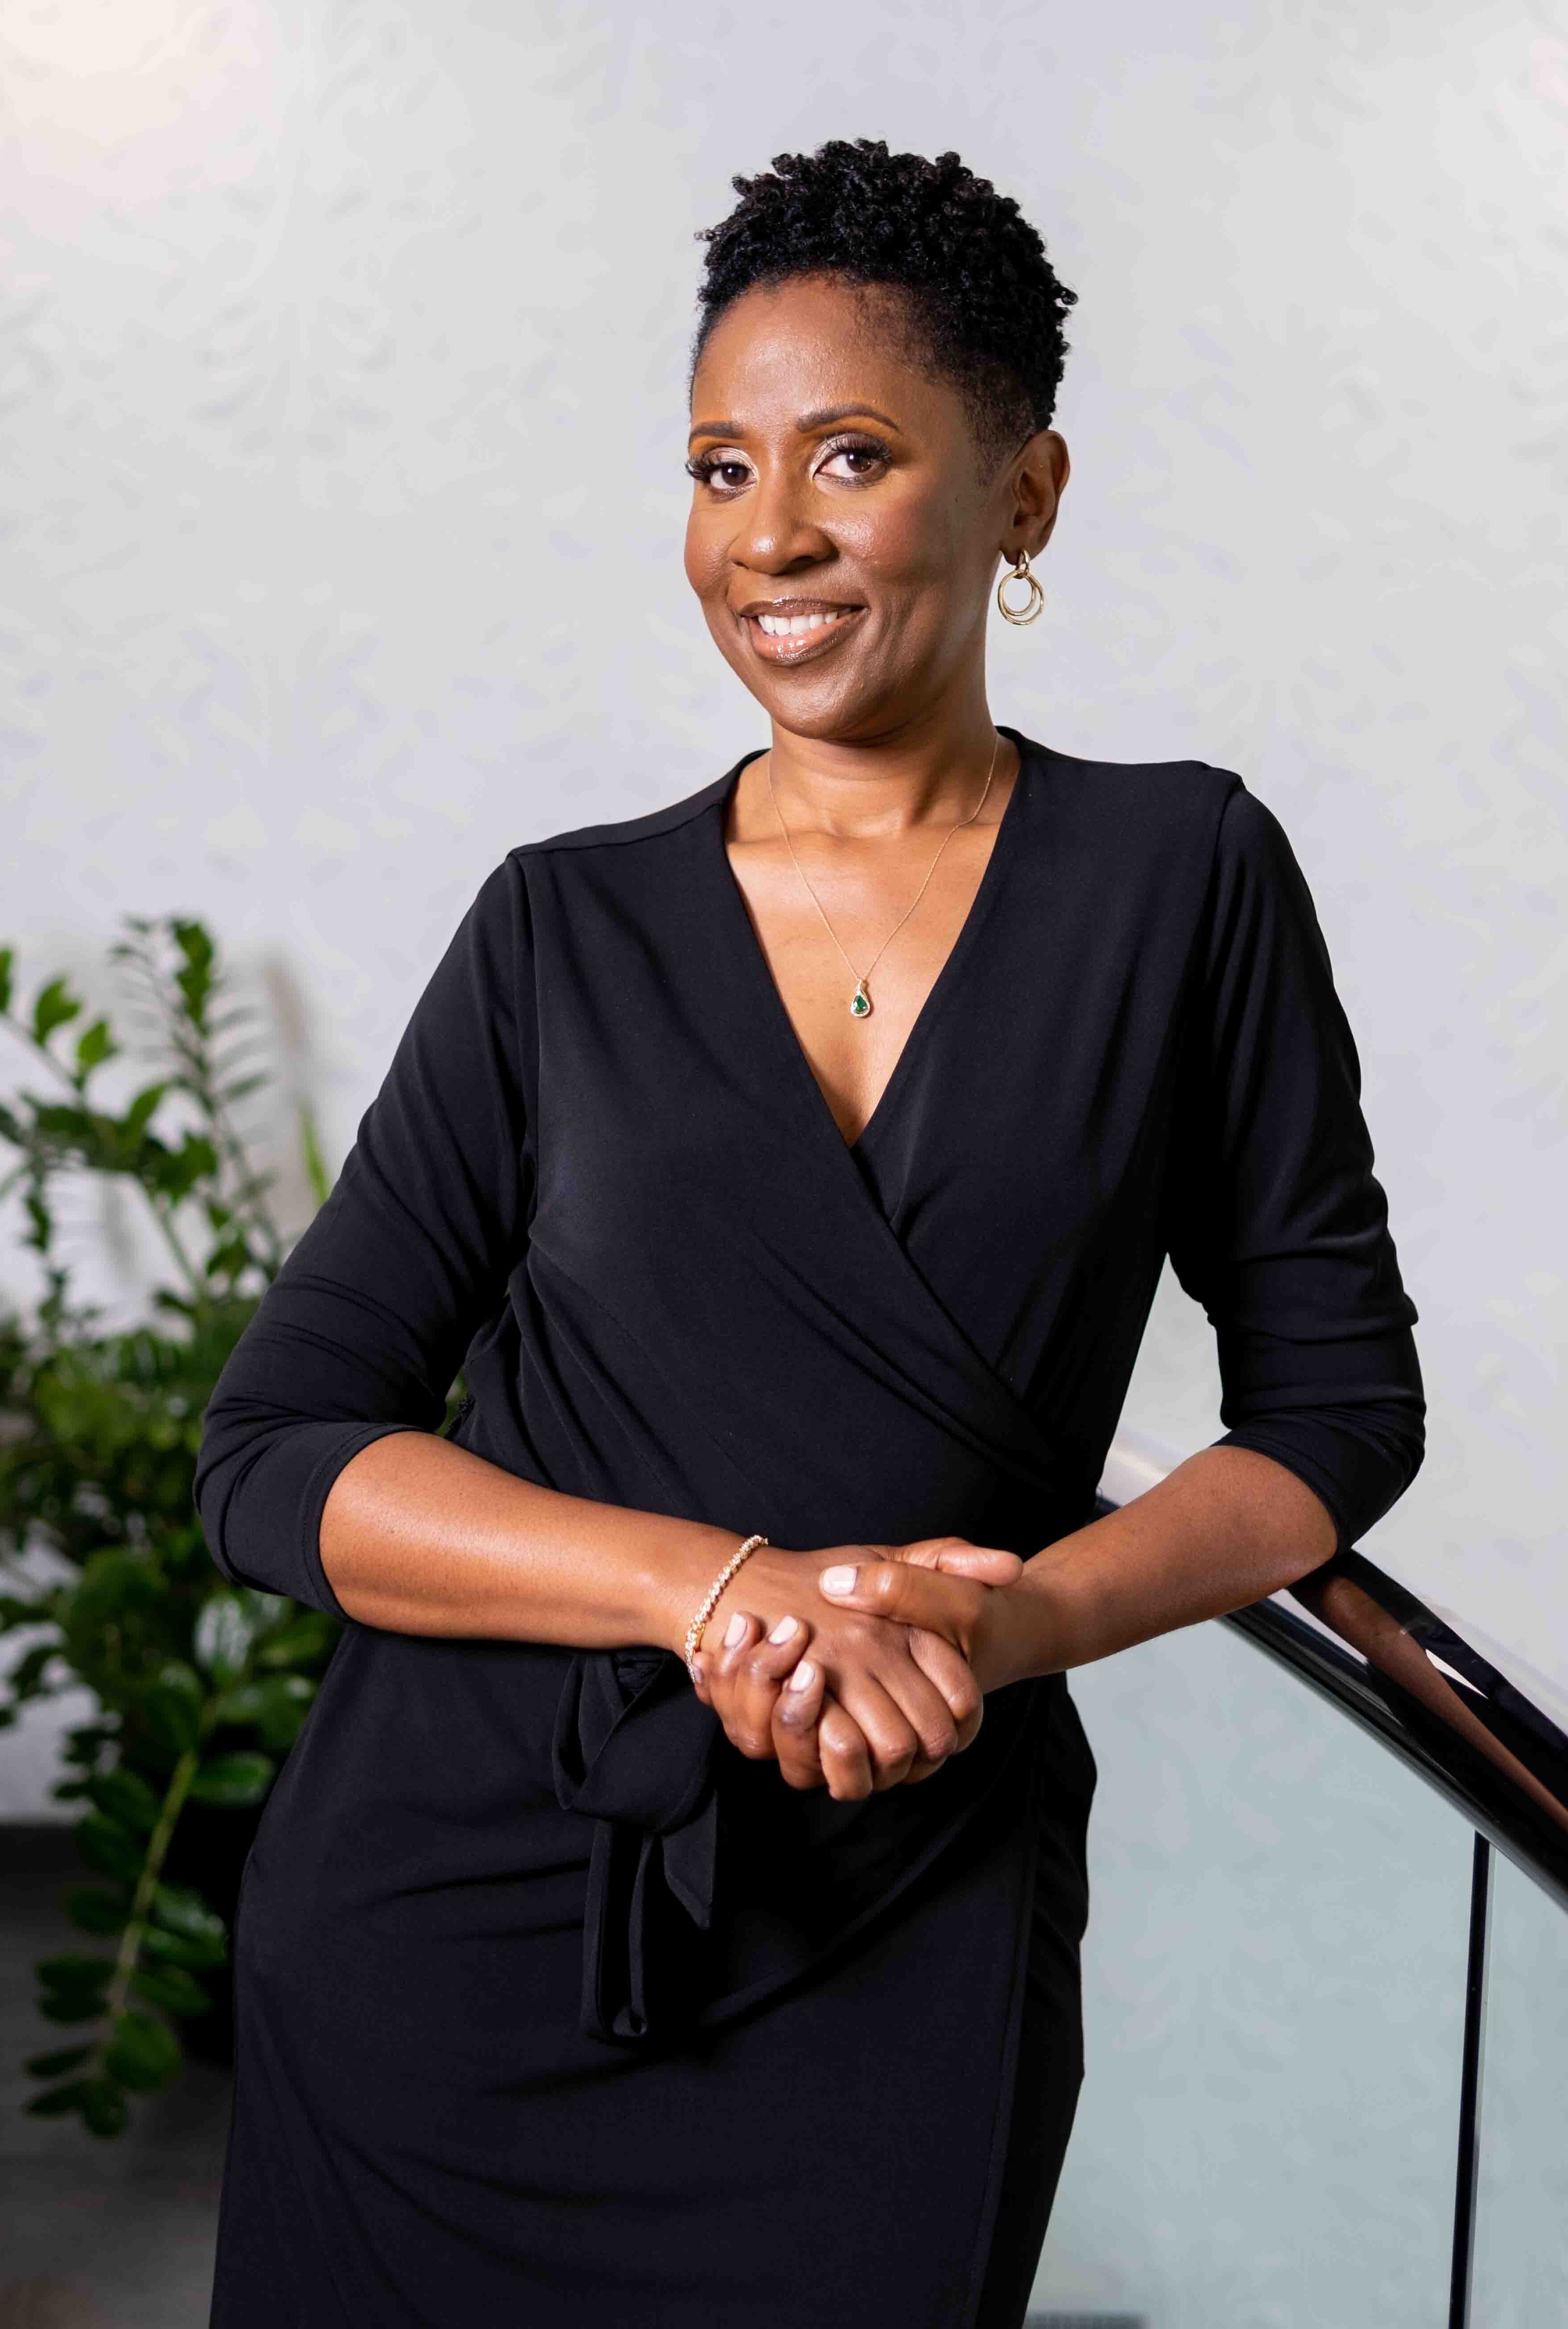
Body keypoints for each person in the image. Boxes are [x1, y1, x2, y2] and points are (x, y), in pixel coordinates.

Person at [195, 138, 1424, 2329]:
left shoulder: (1182, 883)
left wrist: (1008, 1632)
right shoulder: (556, 925)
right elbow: (279, 1449)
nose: (765, 537)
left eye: (848, 456)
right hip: (449, 1912)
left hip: (906, 1911)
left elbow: (1333, 1414)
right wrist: (722, 1596)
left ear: (1022, 494)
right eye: (716, 466)